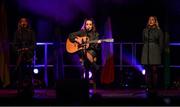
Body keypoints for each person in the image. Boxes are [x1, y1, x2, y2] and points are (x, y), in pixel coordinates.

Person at [67, 18, 101, 86]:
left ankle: (86, 83)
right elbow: (70, 35)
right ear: (85, 25)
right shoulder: (82, 32)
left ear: (92, 25)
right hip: (82, 51)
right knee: (85, 56)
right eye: (87, 24)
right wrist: (77, 40)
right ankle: (94, 65)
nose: (88, 26)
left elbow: (97, 48)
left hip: (92, 51)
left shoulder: (96, 34)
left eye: (90, 24)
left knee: (86, 61)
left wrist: (97, 44)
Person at [141, 16, 164, 96]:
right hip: (146, 50)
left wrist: (159, 52)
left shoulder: (159, 31)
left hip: (155, 50)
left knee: (154, 70)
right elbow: (143, 40)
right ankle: (148, 87)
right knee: (147, 71)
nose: (151, 21)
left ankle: (155, 88)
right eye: (150, 19)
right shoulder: (145, 30)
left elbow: (161, 43)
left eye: (152, 19)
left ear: (155, 21)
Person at [13, 17, 36, 97]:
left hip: (28, 54)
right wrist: (19, 50)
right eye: (22, 21)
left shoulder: (31, 32)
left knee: (29, 72)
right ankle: (20, 89)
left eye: (25, 21)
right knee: (20, 72)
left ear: (27, 23)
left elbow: (33, 44)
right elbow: (14, 44)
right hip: (20, 54)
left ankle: (30, 89)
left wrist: (28, 49)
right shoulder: (17, 33)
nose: (24, 23)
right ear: (19, 23)